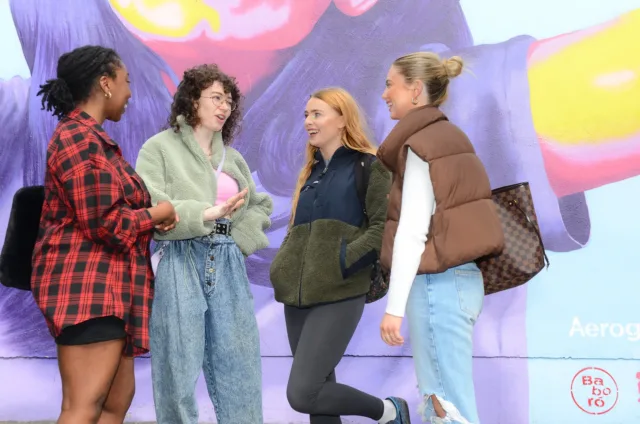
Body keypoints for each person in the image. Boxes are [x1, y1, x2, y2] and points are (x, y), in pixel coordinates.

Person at [31, 45, 178, 424]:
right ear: (106, 83)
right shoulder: (79, 139)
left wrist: (146, 216)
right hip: (87, 290)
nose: (130, 92)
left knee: (115, 402)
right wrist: (157, 212)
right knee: (83, 406)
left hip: (111, 291)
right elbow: (106, 225)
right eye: (127, 81)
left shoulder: (93, 140)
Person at [135, 64, 273, 424]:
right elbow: (151, 204)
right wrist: (207, 213)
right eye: (215, 97)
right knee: (176, 365)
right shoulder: (159, 148)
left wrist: (238, 242)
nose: (224, 106)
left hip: (227, 260)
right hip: (181, 258)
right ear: (192, 100)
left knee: (238, 361)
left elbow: (259, 205)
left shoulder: (233, 157)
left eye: (228, 100)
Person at [376, 51, 505, 423]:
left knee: (444, 405)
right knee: (449, 400)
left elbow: (413, 231)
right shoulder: (451, 137)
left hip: (436, 284)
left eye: (390, 84)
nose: (385, 94)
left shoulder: (423, 144)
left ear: (415, 90)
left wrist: (394, 308)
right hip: (461, 282)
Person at [269, 87, 411, 424]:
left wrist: (343, 261)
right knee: (319, 394)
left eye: (317, 114)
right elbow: (295, 233)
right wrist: (283, 268)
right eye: (306, 114)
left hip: (341, 290)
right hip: (299, 296)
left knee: (302, 393)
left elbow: (383, 227)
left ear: (342, 119)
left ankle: (389, 411)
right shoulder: (311, 174)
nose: (308, 121)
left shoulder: (369, 166)